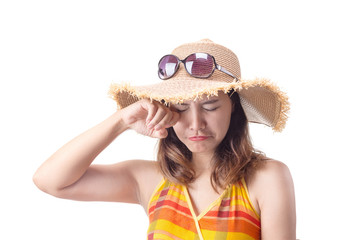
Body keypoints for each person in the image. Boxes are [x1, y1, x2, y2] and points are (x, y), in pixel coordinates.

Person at [33, 39, 296, 240]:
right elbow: (50, 181)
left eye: (211, 106)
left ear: (234, 107)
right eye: (180, 107)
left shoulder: (267, 178)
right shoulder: (150, 179)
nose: (195, 123)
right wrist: (121, 122)